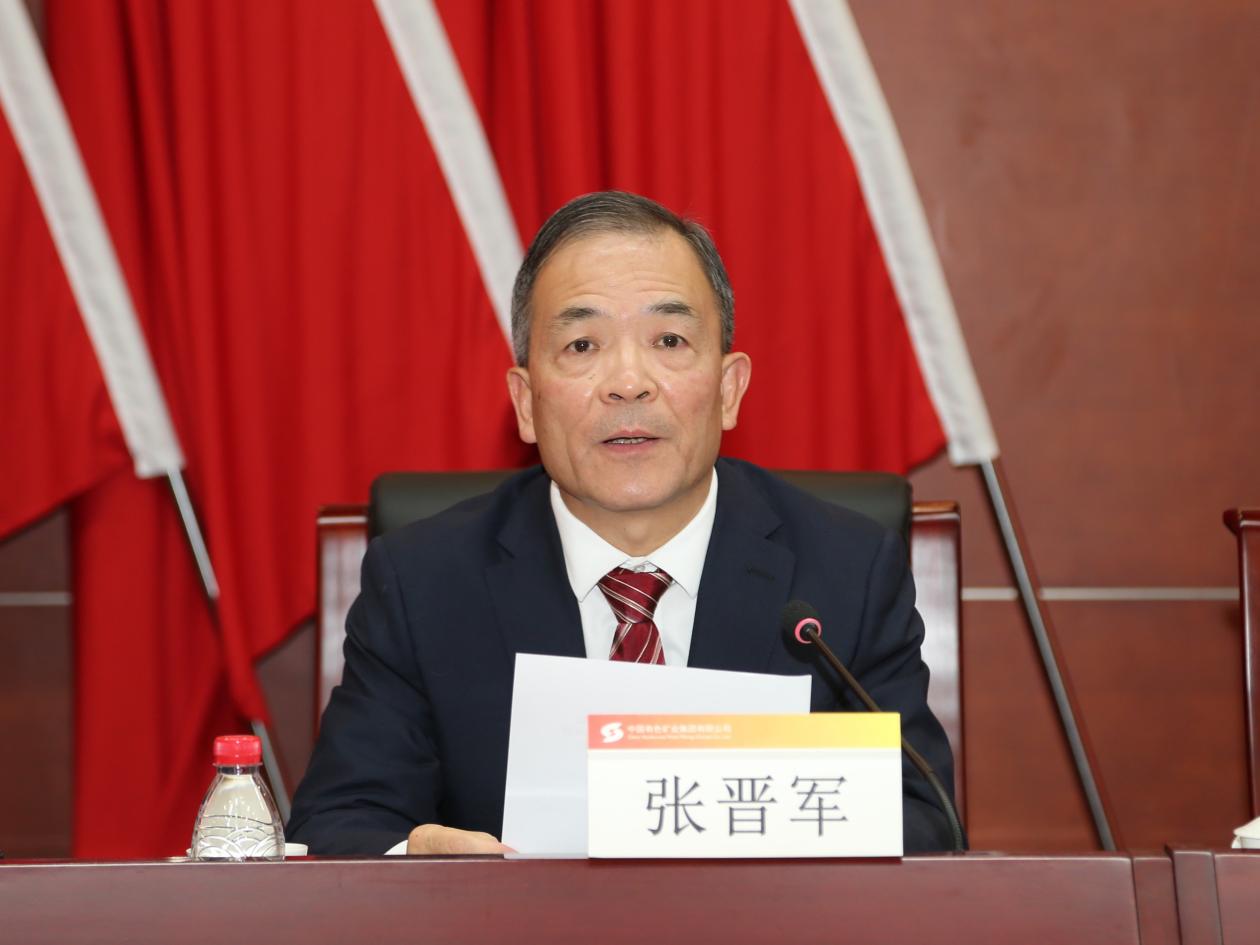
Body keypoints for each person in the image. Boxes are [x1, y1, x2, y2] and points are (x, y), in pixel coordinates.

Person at [287, 191, 959, 855]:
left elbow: (922, 820)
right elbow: (340, 824)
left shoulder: (845, 572)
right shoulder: (425, 580)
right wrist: (418, 861)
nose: (628, 382)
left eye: (669, 340)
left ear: (728, 389)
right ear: (526, 403)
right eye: (583, 344)